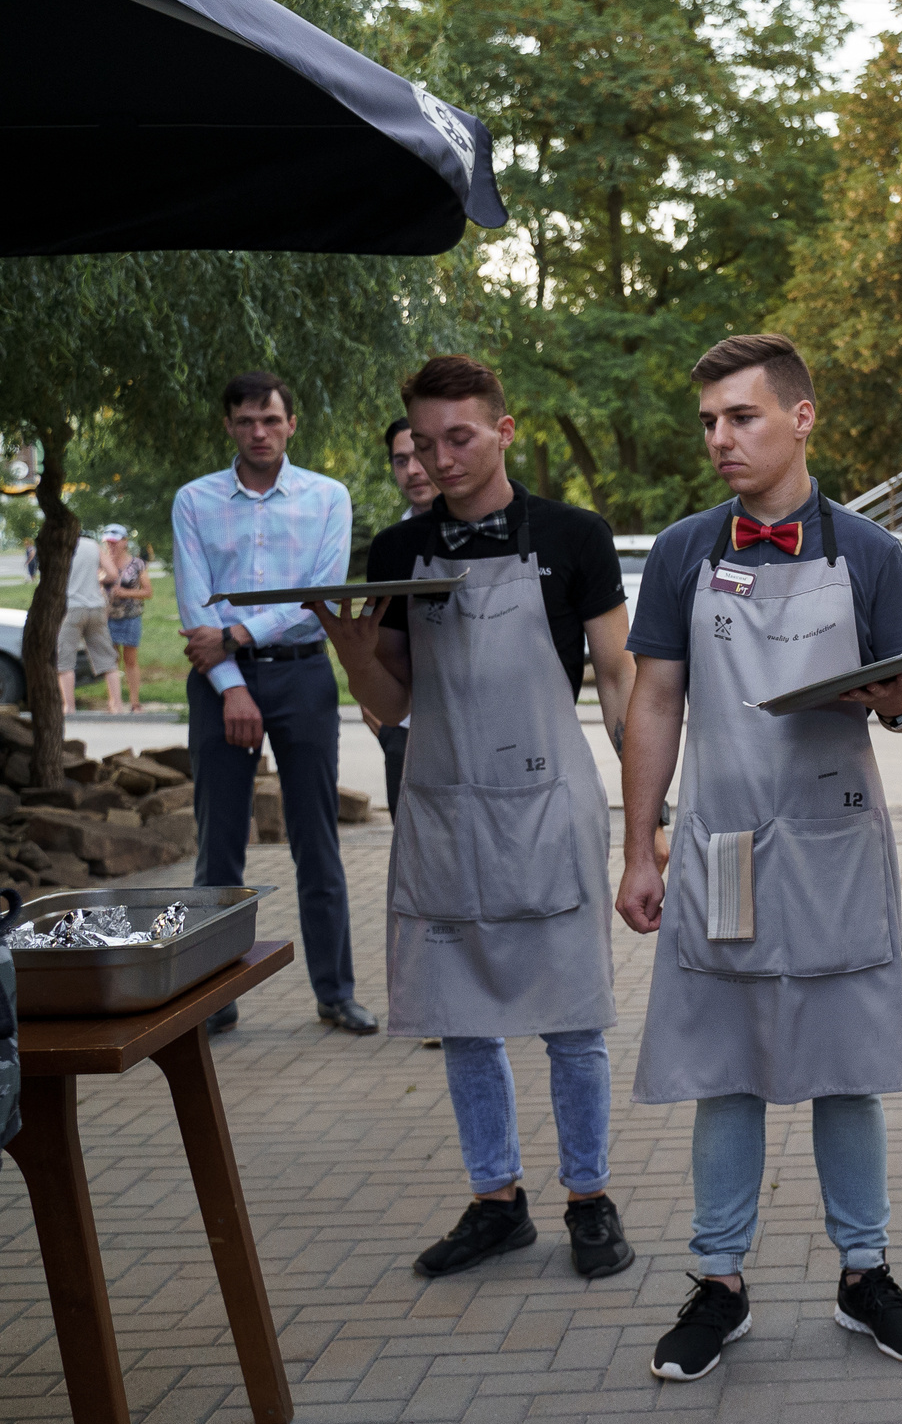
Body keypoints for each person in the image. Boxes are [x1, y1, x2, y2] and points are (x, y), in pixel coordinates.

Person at [617, 333, 902, 1381]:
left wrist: (898, 700)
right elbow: (654, 700)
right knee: (730, 1064)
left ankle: (864, 1273)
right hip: (721, 847)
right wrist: (639, 844)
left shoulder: (872, 554)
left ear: (801, 418)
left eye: (742, 416)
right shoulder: (682, 553)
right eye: (710, 421)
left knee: (847, 1065)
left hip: (838, 840)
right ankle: (718, 1280)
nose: (721, 437)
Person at [312, 355, 638, 1284]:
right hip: (445, 805)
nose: (440, 458)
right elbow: (390, 705)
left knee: (572, 1014)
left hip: (550, 804)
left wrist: (646, 810)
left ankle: (590, 1196)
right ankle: (496, 1201)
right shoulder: (399, 551)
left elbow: (619, 678)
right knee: (461, 1016)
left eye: (459, 437)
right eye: (423, 441)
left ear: (503, 429)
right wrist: (352, 656)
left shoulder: (574, 536)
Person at [171, 372, 371, 1037]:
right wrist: (230, 681)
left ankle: (336, 993)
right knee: (218, 851)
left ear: (291, 425)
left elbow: (317, 592)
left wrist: (235, 632)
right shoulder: (195, 501)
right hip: (220, 682)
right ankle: (212, 999)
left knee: (316, 842)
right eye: (246, 420)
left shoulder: (327, 498)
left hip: (301, 677)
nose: (259, 431)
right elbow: (195, 601)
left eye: (270, 420)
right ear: (228, 425)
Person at [371, 416, 441, 815]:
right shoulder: (389, 550)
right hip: (405, 730)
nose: (413, 470)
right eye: (400, 460)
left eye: (421, 455)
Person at [56, 527, 122, 715]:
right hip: (95, 606)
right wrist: (97, 580)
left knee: (65, 659)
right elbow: (112, 574)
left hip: (71, 607)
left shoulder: (60, 547)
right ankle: (116, 705)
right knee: (107, 659)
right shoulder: (93, 545)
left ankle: (69, 707)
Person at [101, 524, 149, 713]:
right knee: (111, 660)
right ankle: (114, 702)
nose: (111, 546)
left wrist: (127, 593)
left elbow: (148, 591)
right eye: (108, 543)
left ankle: (135, 702)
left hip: (130, 616)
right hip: (107, 617)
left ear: (124, 542)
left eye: (115, 542)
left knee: (130, 660)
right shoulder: (101, 562)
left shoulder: (137, 564)